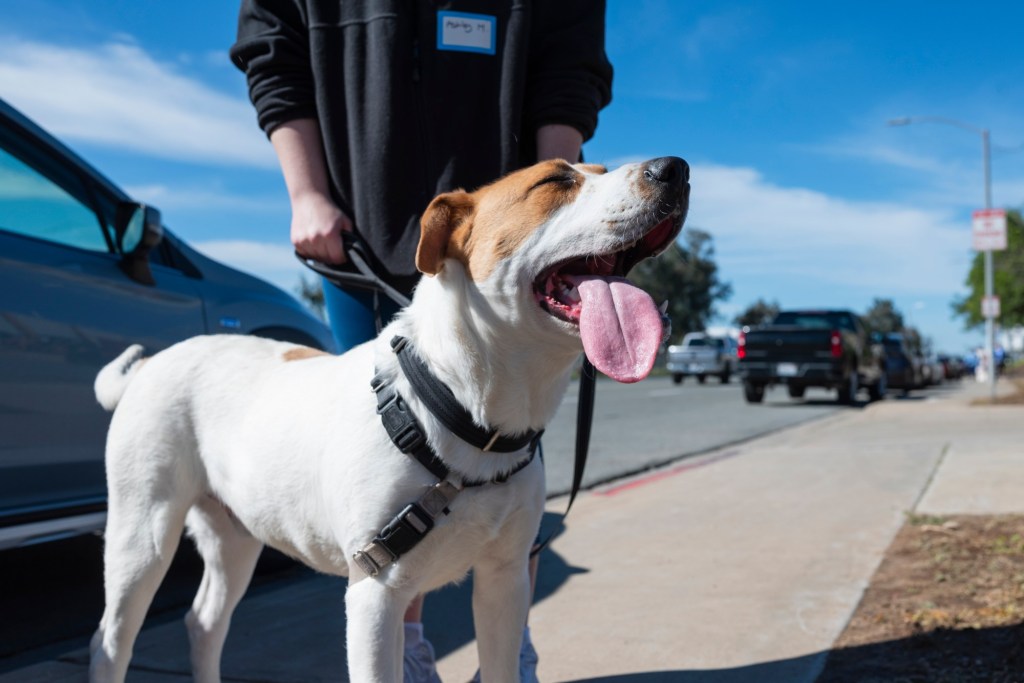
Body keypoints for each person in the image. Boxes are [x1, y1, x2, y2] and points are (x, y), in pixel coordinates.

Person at [231, 2, 612, 680]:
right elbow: (274, 44)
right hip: (356, 233)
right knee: (390, 479)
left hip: (504, 247)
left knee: (504, 463)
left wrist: (559, 206)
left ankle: (509, 650)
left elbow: (570, 55)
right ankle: (405, 656)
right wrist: (306, 190)